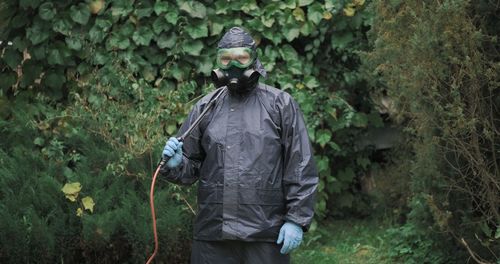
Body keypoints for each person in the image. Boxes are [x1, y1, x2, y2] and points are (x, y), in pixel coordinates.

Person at [160, 26, 318, 264]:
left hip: (265, 234)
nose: (233, 65)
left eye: (241, 58)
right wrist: (176, 164)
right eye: (225, 59)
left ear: (254, 60)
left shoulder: (280, 105)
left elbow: (300, 166)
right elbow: (189, 168)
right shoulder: (205, 108)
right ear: (218, 62)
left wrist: (296, 219)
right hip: (213, 234)